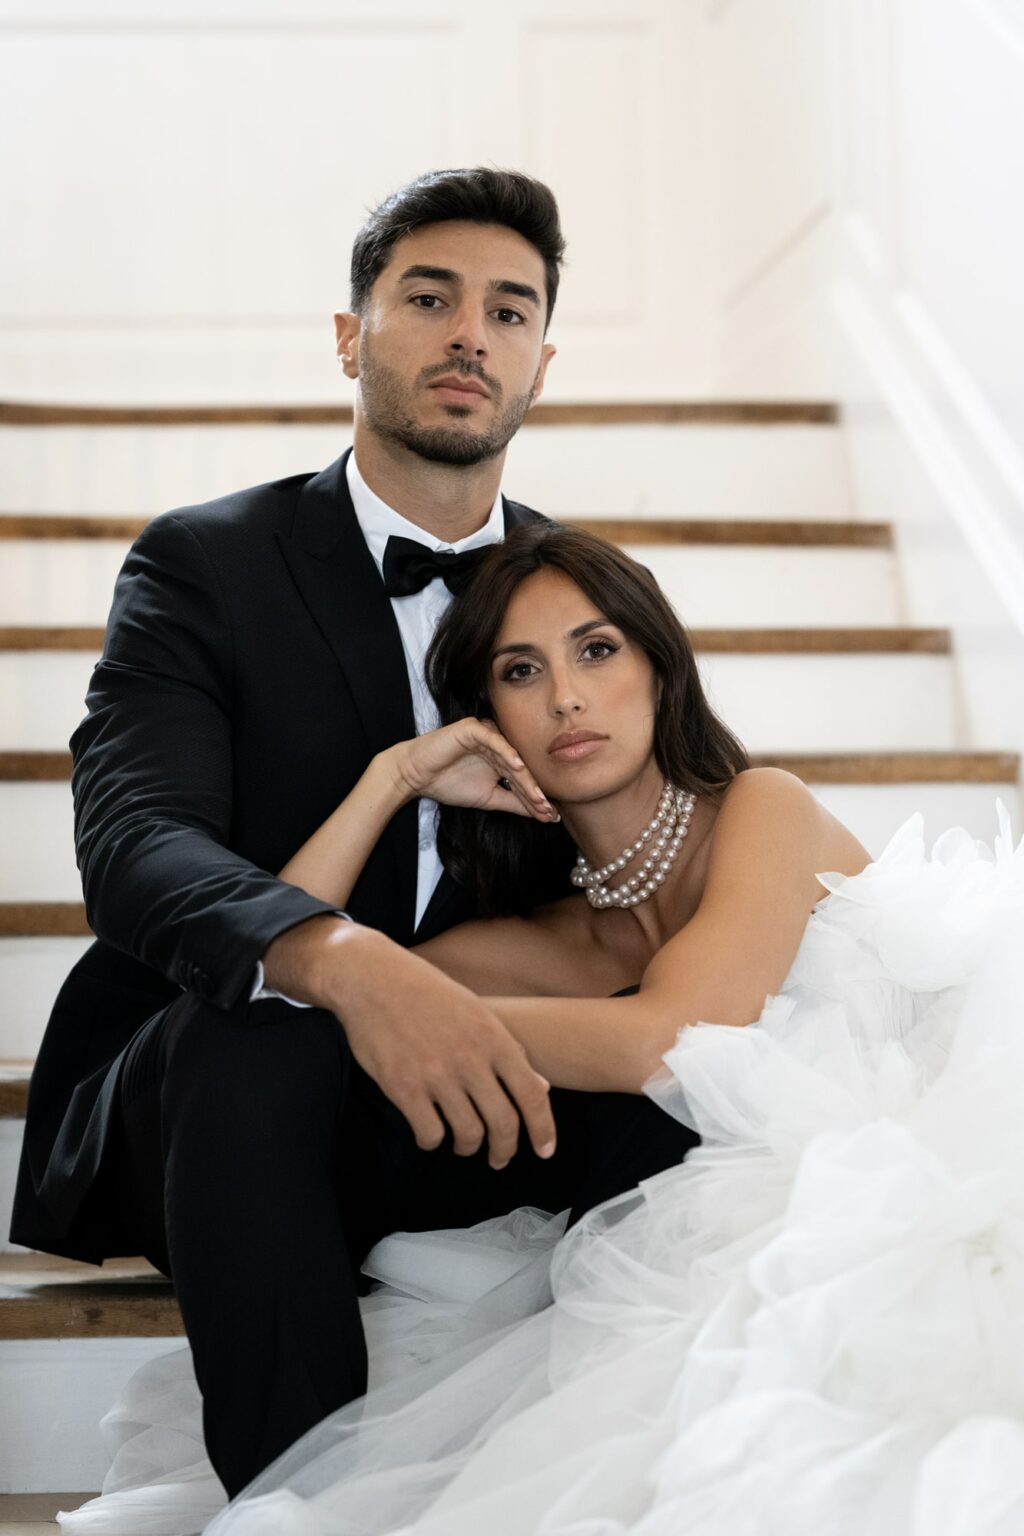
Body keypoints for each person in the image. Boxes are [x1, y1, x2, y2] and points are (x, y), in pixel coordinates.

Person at [59, 525, 1024, 1536]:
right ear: (489, 720)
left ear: (661, 672)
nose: (565, 696)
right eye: (523, 671)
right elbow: (277, 1004)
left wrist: (420, 1011)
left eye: (596, 651)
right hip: (678, 1241)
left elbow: (673, 1041)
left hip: (912, 1188)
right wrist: (390, 780)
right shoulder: (528, 943)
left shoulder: (760, 809)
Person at [11, 168, 708, 1500]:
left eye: (510, 313)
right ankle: (298, 1509)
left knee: (725, 1119)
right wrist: (347, 964)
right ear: (351, 337)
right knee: (252, 1041)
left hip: (489, 1067)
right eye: (428, 299)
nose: (470, 336)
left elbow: (664, 837)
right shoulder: (204, 563)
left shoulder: (585, 603)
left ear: (541, 365)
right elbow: (137, 843)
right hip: (229, 1095)